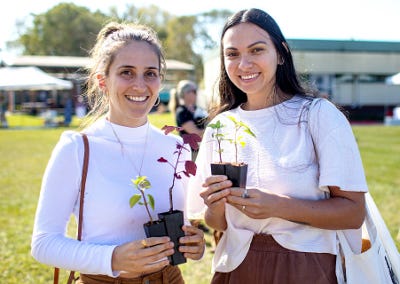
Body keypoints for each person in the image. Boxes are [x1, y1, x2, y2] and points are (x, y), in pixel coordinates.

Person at [187, 8, 368, 284]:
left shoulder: (317, 115)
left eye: (256, 50)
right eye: (232, 54)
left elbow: (353, 213)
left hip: (306, 269)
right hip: (235, 269)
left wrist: (277, 206)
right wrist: (215, 206)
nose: (243, 64)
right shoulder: (220, 127)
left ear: (281, 53)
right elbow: (217, 223)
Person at [31, 22, 205, 283]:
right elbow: (43, 243)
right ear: (103, 80)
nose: (139, 85)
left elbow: (186, 228)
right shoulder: (77, 149)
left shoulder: (175, 148)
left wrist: (196, 244)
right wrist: (112, 258)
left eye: (150, 73)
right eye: (126, 72)